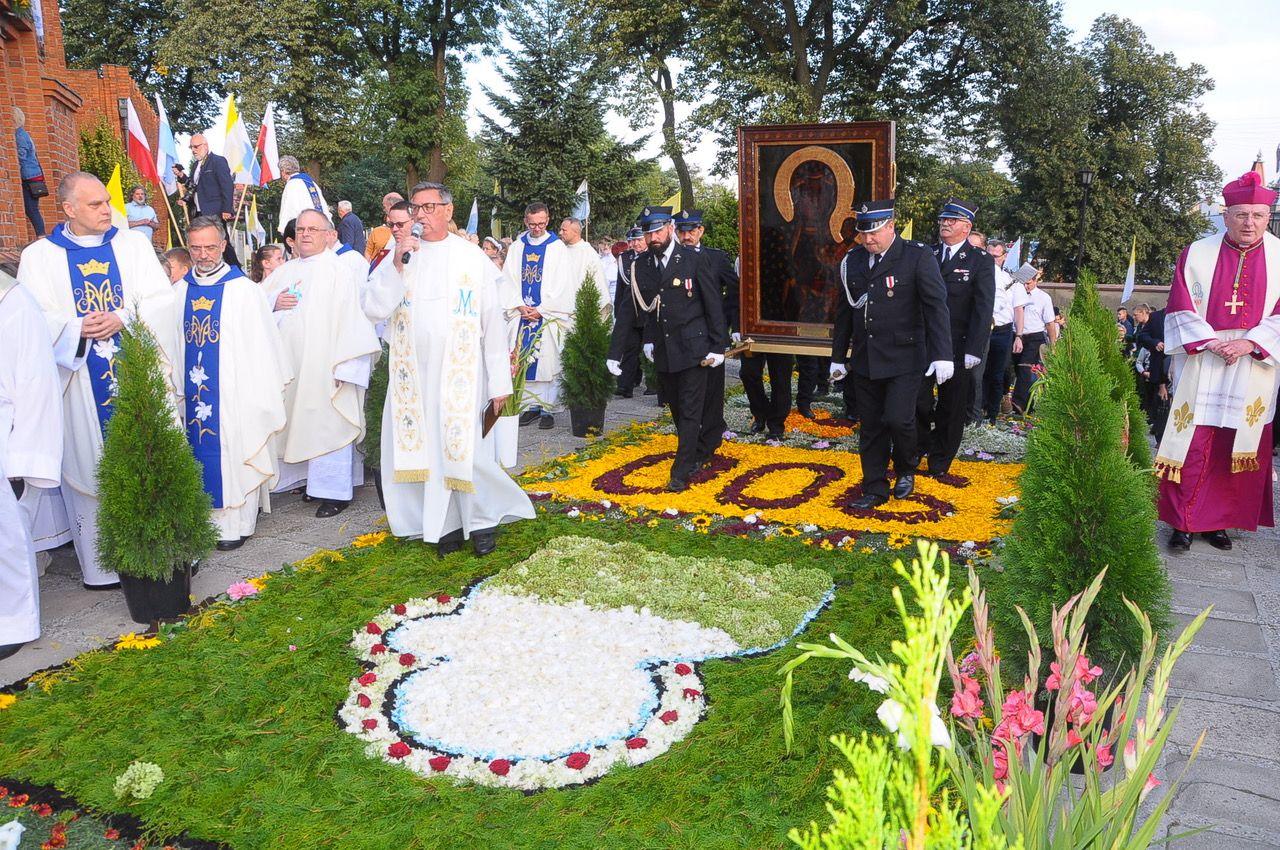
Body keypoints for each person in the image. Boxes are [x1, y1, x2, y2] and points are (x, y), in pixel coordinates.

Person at [17, 171, 175, 589]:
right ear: (68, 209)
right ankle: (102, 568)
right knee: (89, 465)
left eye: (107, 202)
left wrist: (122, 316)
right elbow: (33, 319)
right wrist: (75, 326)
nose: (107, 210)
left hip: (137, 371)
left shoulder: (134, 245)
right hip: (80, 382)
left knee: (152, 457)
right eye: (95, 204)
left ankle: (167, 558)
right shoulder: (40, 257)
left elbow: (163, 299)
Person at [362, 181, 535, 555]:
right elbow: (374, 308)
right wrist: (395, 263)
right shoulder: (402, 252)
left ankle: (483, 520)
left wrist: (499, 384)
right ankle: (443, 527)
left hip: (463, 373)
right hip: (415, 374)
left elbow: (492, 323)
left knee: (465, 450)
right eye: (416, 209)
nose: (420, 215)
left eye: (428, 207)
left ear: (447, 210)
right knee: (428, 451)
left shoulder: (472, 258)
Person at [1156, 171, 1280, 552]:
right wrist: (1210, 341)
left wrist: (1250, 343)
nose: (1249, 223)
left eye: (1258, 216)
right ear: (1226, 215)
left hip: (1253, 361)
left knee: (1234, 444)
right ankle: (1183, 523)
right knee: (1193, 441)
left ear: (1267, 216)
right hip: (1203, 358)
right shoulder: (1197, 252)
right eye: (1241, 215)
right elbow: (1179, 303)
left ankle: (1219, 522)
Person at [176, 218, 290, 550]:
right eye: (195, 248)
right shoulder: (179, 292)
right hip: (197, 396)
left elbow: (263, 349)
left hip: (236, 395)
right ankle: (206, 524)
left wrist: (255, 392)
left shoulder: (244, 291)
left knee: (237, 451)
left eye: (210, 247)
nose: (203, 255)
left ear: (223, 245)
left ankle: (238, 524)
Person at [829, 200, 951, 509]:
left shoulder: (916, 256)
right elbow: (844, 313)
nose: (868, 240)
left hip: (905, 357)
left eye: (874, 234)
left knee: (899, 419)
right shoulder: (853, 261)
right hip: (867, 357)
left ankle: (906, 467)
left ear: (890, 227)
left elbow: (936, 307)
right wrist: (837, 357)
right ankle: (874, 487)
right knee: (871, 425)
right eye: (863, 234)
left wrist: (943, 354)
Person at [261, 209, 379, 518]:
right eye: (300, 229)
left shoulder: (338, 271)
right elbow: (252, 305)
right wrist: (272, 302)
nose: (305, 234)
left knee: (328, 423)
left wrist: (348, 368)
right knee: (297, 422)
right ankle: (306, 481)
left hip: (325, 366)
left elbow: (353, 319)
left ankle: (333, 492)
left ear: (328, 234)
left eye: (313, 229)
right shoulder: (284, 271)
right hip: (291, 366)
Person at [612, 206, 727, 490]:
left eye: (657, 231)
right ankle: (696, 449)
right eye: (648, 232)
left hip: (694, 348)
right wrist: (615, 352)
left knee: (690, 410)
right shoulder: (642, 265)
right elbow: (631, 309)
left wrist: (719, 346)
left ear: (670, 228)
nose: (652, 238)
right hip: (664, 349)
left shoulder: (691, 259)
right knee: (676, 408)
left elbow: (712, 304)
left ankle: (681, 471)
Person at [0, 268, 63, 660]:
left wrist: (25, 456)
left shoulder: (12, 300)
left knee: (5, 535)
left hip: (5, 427)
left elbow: (35, 380)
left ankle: (11, 620)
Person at [916, 199, 994, 475]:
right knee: (918, 401)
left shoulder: (980, 261)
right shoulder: (926, 253)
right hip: (923, 343)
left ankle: (940, 459)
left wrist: (974, 348)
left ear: (967, 226)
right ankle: (918, 445)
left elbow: (983, 308)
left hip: (958, 345)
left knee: (952, 406)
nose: (944, 224)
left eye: (952, 220)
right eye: (942, 220)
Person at [501, 202, 573, 430]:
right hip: (522, 314)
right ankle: (529, 407)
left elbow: (564, 284)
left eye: (541, 224)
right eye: (532, 224)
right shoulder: (516, 248)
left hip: (547, 314)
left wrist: (541, 309)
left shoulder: (557, 248)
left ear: (548, 220)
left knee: (547, 363)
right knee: (522, 362)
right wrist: (519, 306)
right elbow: (507, 280)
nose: (537, 228)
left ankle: (548, 409)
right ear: (525, 221)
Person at [675, 208, 737, 459]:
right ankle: (689, 440)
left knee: (711, 392)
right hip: (681, 337)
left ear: (701, 231)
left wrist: (733, 327)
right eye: (682, 231)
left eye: (692, 230)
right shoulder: (672, 259)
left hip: (710, 335)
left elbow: (734, 292)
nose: (687, 236)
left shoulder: (716, 258)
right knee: (681, 394)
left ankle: (708, 442)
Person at [981, 237, 1026, 423]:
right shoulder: (980, 275)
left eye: (996, 256)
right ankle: (979, 410)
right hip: (982, 328)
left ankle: (992, 413)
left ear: (1004, 257)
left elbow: (1018, 309)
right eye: (989, 256)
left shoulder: (1011, 280)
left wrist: (1019, 336)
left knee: (998, 373)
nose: (992, 260)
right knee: (979, 372)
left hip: (1002, 330)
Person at [608, 227, 651, 398]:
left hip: (649, 310)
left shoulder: (653, 257)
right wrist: (618, 313)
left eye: (639, 240)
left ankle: (653, 385)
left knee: (650, 350)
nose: (635, 244)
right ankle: (626, 385)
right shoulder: (625, 259)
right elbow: (621, 288)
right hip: (631, 311)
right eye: (632, 241)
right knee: (630, 349)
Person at [1010, 263, 1057, 415]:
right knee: (1014, 369)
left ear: (1035, 281)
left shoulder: (1044, 298)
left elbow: (1050, 323)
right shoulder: (1013, 294)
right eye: (1023, 283)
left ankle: (1018, 403)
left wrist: (1053, 343)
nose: (1026, 286)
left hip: (1034, 337)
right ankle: (1026, 403)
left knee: (1025, 368)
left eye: (1028, 283)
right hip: (1015, 335)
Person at [186, 135, 237, 267]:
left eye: (196, 147)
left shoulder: (217, 161)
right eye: (191, 147)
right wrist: (181, 177)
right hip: (198, 211)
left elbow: (227, 185)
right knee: (202, 241)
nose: (193, 150)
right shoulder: (195, 165)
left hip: (214, 210)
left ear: (205, 146)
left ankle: (235, 268)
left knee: (220, 240)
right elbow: (193, 185)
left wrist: (227, 208)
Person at [559, 217, 608, 315]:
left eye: (564, 230)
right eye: (560, 230)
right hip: (561, 307)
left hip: (580, 309)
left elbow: (598, 282)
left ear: (575, 232)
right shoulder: (560, 250)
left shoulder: (588, 254)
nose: (560, 233)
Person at [276, 155, 331, 235]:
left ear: (283, 171)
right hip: (322, 229)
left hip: (305, 233)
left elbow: (288, 212)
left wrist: (286, 232)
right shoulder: (312, 183)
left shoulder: (292, 185)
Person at [14, 108, 48, 238]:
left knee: (31, 209)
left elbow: (20, 156)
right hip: (33, 176)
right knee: (32, 208)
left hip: (30, 177)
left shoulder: (19, 136)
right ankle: (41, 235)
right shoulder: (23, 134)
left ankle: (41, 236)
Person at [364, 192, 406, 262]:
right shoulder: (377, 231)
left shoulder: (409, 230)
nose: (383, 210)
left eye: (384, 207)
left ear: (391, 206)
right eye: (391, 225)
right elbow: (368, 252)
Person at [596, 238, 619, 305]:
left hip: (612, 279)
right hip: (603, 280)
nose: (606, 246)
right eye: (603, 244)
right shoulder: (598, 257)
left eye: (608, 245)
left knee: (612, 301)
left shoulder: (614, 256)